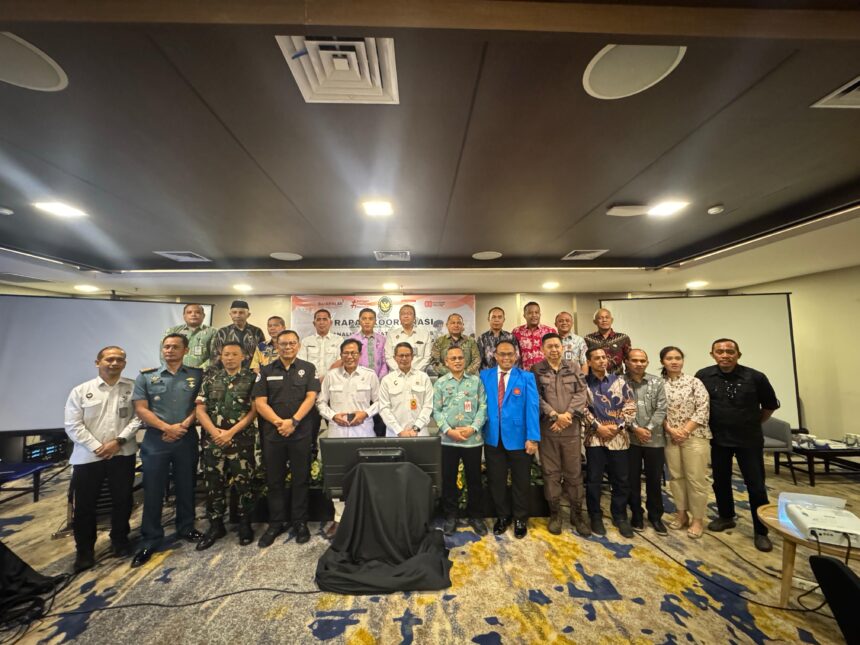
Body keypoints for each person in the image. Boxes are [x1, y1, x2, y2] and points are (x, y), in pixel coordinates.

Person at [695, 339, 780, 552]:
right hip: (718, 440)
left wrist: (752, 422)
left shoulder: (756, 377)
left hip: (749, 440)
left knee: (756, 486)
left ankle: (761, 531)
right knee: (720, 481)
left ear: (738, 354)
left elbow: (769, 406)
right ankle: (726, 516)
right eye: (720, 351)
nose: (725, 355)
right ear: (713, 354)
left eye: (730, 351)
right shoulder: (703, 376)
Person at [64, 346, 140, 572]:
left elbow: (138, 418)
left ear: (124, 364)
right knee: (85, 506)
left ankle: (120, 540)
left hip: (122, 453)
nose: (114, 363)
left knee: (123, 500)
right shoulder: (81, 391)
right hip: (89, 457)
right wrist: (98, 447)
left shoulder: (133, 388)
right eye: (109, 359)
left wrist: (118, 441)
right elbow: (73, 425)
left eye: (119, 360)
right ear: (98, 362)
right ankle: (84, 551)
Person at [131, 334, 203, 567]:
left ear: (186, 350)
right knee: (152, 489)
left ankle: (186, 527)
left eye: (175, 347)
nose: (169, 350)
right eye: (166, 347)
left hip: (186, 437)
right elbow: (141, 408)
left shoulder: (197, 375)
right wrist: (166, 428)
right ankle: (151, 537)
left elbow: (200, 405)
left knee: (186, 484)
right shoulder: (146, 376)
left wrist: (183, 426)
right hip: (156, 439)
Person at [252, 330, 320, 547]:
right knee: (274, 480)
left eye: (292, 343)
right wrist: (279, 423)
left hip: (300, 433)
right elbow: (260, 402)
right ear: (277, 346)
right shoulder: (266, 370)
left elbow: (311, 397)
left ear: (298, 345)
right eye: (283, 344)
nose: (288, 347)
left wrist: (294, 421)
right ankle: (276, 523)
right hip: (274, 434)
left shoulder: (308, 368)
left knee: (301, 479)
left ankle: (300, 522)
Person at [195, 342, 258, 550]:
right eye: (226, 354)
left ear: (243, 356)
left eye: (234, 354)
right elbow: (200, 410)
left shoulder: (252, 379)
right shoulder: (210, 378)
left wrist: (230, 433)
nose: (229, 358)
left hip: (241, 441)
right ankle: (216, 525)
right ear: (220, 357)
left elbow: (254, 410)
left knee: (244, 483)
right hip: (213, 442)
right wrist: (215, 433)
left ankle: (245, 524)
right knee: (213, 484)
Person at [317, 338, 380, 537]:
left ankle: (366, 517)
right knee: (338, 476)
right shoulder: (331, 376)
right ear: (341, 354)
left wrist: (365, 413)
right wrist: (333, 416)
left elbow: (380, 402)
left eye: (353, 353)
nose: (350, 356)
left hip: (363, 432)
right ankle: (339, 519)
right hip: (337, 432)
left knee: (366, 473)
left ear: (360, 355)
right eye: (346, 352)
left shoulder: (369, 375)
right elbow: (321, 402)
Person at [531, 333, 591, 537]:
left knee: (574, 473)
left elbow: (581, 393)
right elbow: (536, 397)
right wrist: (554, 415)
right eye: (549, 346)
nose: (554, 349)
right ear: (542, 349)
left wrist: (568, 415)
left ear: (562, 347)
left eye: (557, 346)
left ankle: (577, 514)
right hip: (548, 430)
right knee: (551, 473)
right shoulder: (536, 370)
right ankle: (555, 514)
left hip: (571, 429)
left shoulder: (573, 367)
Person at [480, 340, 540, 539]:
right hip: (493, 437)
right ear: (495, 356)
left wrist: (533, 437)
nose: (506, 358)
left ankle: (520, 519)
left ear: (516, 356)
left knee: (521, 481)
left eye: (510, 354)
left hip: (519, 438)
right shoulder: (484, 376)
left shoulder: (526, 377)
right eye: (502, 354)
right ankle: (502, 516)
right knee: (496, 481)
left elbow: (532, 408)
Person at [433, 346, 488, 536]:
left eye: (460, 358)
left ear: (465, 360)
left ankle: (476, 516)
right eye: (453, 358)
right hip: (448, 441)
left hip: (472, 440)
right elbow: (436, 411)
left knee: (474, 480)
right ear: (446, 362)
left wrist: (473, 428)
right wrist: (448, 431)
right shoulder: (440, 383)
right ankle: (451, 517)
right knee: (448, 480)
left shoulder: (476, 382)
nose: (457, 361)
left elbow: (483, 407)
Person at [583, 347, 636, 538]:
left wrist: (618, 426)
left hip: (618, 438)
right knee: (593, 480)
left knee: (621, 479)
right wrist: (598, 427)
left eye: (604, 357)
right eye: (596, 358)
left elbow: (630, 406)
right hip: (594, 438)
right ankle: (595, 516)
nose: (601, 361)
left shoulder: (619, 381)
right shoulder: (583, 383)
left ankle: (620, 516)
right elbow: (582, 407)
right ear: (589, 362)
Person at [660, 346, 711, 540]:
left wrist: (685, 431)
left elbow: (703, 408)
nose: (674, 361)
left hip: (695, 435)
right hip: (670, 436)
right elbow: (657, 410)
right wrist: (670, 430)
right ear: (662, 362)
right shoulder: (659, 384)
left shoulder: (694, 382)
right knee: (676, 477)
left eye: (678, 358)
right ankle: (681, 513)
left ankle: (697, 519)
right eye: (669, 358)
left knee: (696, 478)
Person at [623, 349, 668, 534]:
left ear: (647, 362)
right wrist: (635, 428)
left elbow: (661, 409)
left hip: (654, 439)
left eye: (642, 360)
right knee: (632, 479)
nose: (639, 364)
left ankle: (656, 516)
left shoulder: (657, 382)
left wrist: (647, 429)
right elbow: (619, 408)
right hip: (630, 440)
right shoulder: (620, 382)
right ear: (627, 362)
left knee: (654, 480)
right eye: (634, 360)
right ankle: (636, 513)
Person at [298, 308, 343, 454]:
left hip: (332, 390)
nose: (322, 322)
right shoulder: (306, 341)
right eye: (319, 319)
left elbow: (340, 362)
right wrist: (315, 382)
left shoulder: (339, 340)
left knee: (335, 427)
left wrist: (323, 379)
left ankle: (334, 458)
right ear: (314, 323)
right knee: (310, 429)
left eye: (325, 319)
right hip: (311, 391)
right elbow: (302, 364)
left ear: (330, 322)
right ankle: (311, 461)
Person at [378, 342, 434, 437]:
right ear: (395, 358)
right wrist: (399, 431)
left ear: (412, 357)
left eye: (407, 355)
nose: (404, 358)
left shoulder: (423, 378)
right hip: (395, 434)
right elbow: (384, 409)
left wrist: (416, 428)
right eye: (401, 355)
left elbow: (428, 406)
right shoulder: (387, 380)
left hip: (419, 433)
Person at [348, 308, 388, 436]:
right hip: (358, 384)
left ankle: (380, 444)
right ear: (359, 321)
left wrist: (379, 380)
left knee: (379, 419)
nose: (367, 321)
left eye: (370, 319)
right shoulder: (352, 340)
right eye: (364, 318)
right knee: (361, 418)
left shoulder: (382, 339)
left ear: (375, 321)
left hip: (379, 384)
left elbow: (385, 361)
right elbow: (349, 362)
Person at [210, 300, 266, 370]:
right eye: (234, 312)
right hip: (228, 373)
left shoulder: (257, 332)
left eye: (241, 313)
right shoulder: (222, 332)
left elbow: (263, 354)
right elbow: (215, 356)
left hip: (252, 373)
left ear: (248, 315)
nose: (237, 315)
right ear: (230, 314)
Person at [164, 303, 216, 369]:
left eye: (197, 312)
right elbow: (164, 354)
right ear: (184, 316)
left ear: (203, 316)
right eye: (189, 312)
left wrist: (198, 370)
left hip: (202, 373)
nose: (193, 314)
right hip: (176, 372)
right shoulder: (172, 331)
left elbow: (215, 356)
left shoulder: (213, 332)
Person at [384, 304, 432, 373]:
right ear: (399, 317)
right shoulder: (391, 335)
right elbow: (389, 356)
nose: (406, 316)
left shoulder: (425, 334)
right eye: (403, 314)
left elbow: (427, 357)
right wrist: (399, 371)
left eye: (409, 313)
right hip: (396, 374)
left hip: (418, 374)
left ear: (414, 317)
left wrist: (414, 372)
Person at [584, 308, 630, 376]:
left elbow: (628, 360)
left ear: (612, 320)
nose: (604, 320)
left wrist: (628, 378)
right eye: (600, 318)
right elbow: (585, 361)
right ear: (595, 321)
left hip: (617, 378)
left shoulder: (623, 338)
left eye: (607, 317)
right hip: (595, 378)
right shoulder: (588, 339)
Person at [511, 301, 556, 370]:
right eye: (530, 313)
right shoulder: (516, 332)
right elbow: (513, 354)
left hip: (546, 373)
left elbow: (555, 353)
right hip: (524, 373)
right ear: (524, 315)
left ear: (540, 314)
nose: (534, 315)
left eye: (536, 312)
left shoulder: (550, 331)